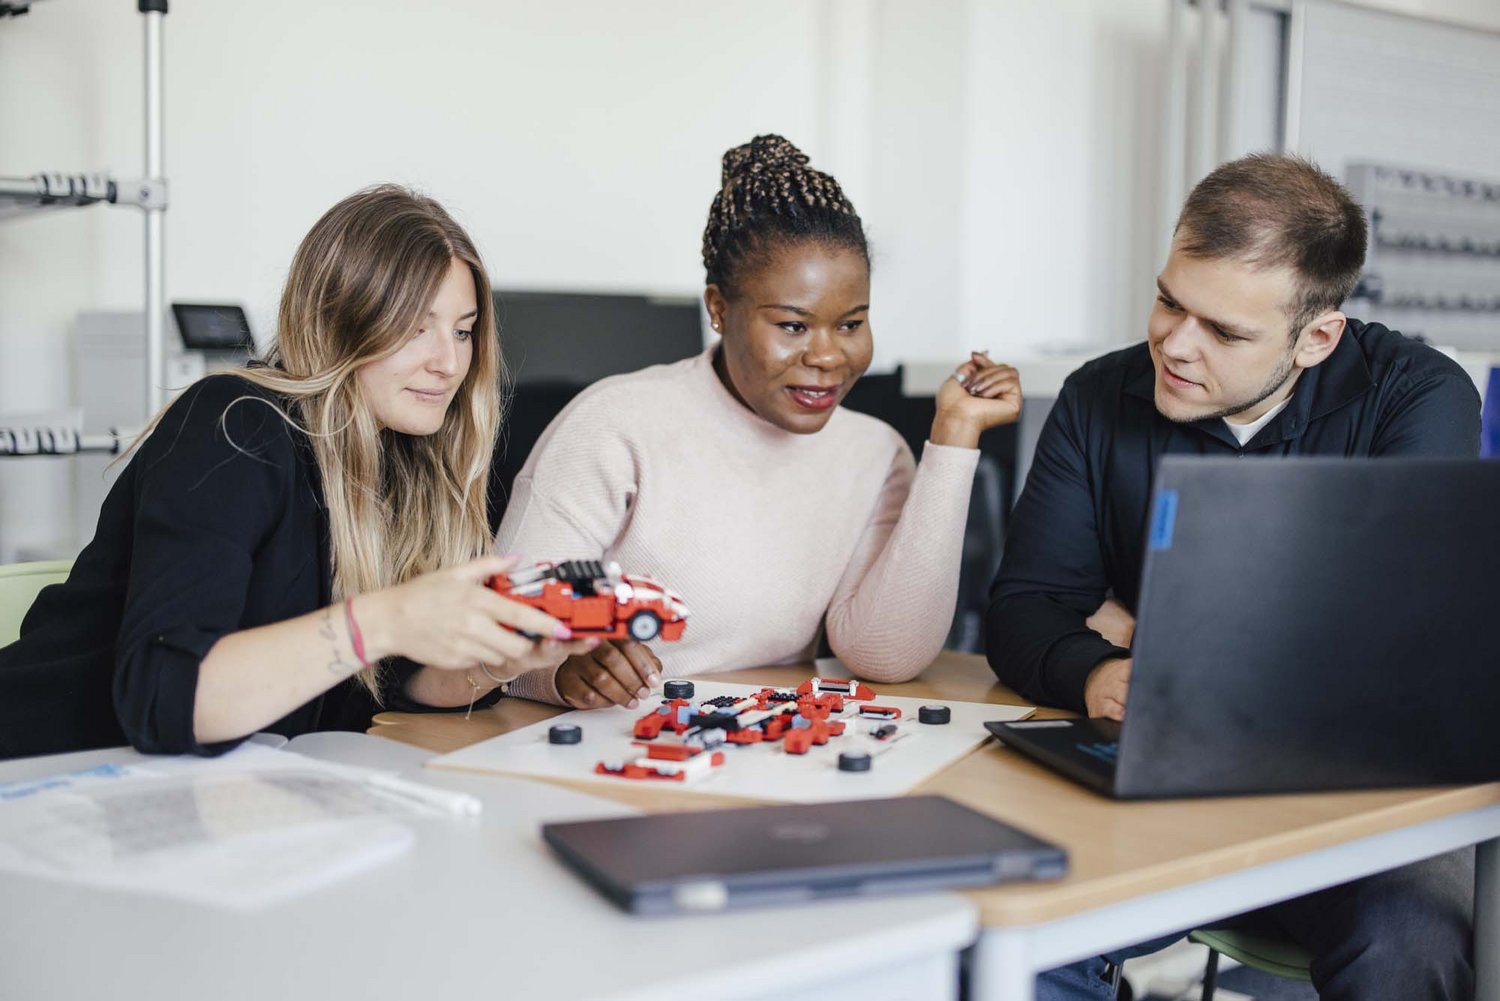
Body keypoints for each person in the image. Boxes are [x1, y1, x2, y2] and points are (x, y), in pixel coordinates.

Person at [986, 153, 1478, 999]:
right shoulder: (1097, 397)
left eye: (1225, 331)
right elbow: (1023, 611)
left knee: (1412, 939)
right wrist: (1098, 668)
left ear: (1316, 336)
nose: (1174, 345)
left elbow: (1390, 645)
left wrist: (1143, 622)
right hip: (1157, 775)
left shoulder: (1417, 397)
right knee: (1023, 926)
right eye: (1170, 300)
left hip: (1360, 793)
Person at [0, 185, 596, 760]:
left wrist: (497, 657)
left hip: (196, 794)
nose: (448, 362)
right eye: (416, 327)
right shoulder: (234, 423)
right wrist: (386, 619)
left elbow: (388, 682)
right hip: (43, 773)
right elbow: (166, 699)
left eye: (462, 331)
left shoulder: (398, 461)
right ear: (341, 320)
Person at [495, 134, 1021, 710]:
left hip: (757, 748)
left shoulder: (873, 452)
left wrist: (954, 438)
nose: (828, 356)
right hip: (601, 749)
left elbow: (884, 655)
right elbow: (497, 638)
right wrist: (566, 670)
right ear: (718, 309)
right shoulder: (613, 424)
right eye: (793, 326)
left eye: (850, 325)